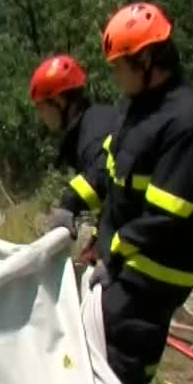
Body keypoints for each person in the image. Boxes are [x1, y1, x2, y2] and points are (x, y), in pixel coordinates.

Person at [93, 2, 193, 384]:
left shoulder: (190, 124)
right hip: (128, 254)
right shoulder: (138, 107)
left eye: (120, 64)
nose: (115, 74)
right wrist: (85, 221)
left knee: (123, 351)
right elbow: (114, 170)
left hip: (158, 267)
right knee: (100, 338)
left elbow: (166, 217)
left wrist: (114, 251)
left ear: (148, 60)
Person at [31, 54, 116, 262]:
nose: (40, 116)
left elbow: (103, 179)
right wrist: (98, 241)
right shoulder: (91, 123)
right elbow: (113, 202)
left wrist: (70, 202)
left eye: (41, 107)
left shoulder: (91, 137)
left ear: (59, 101)